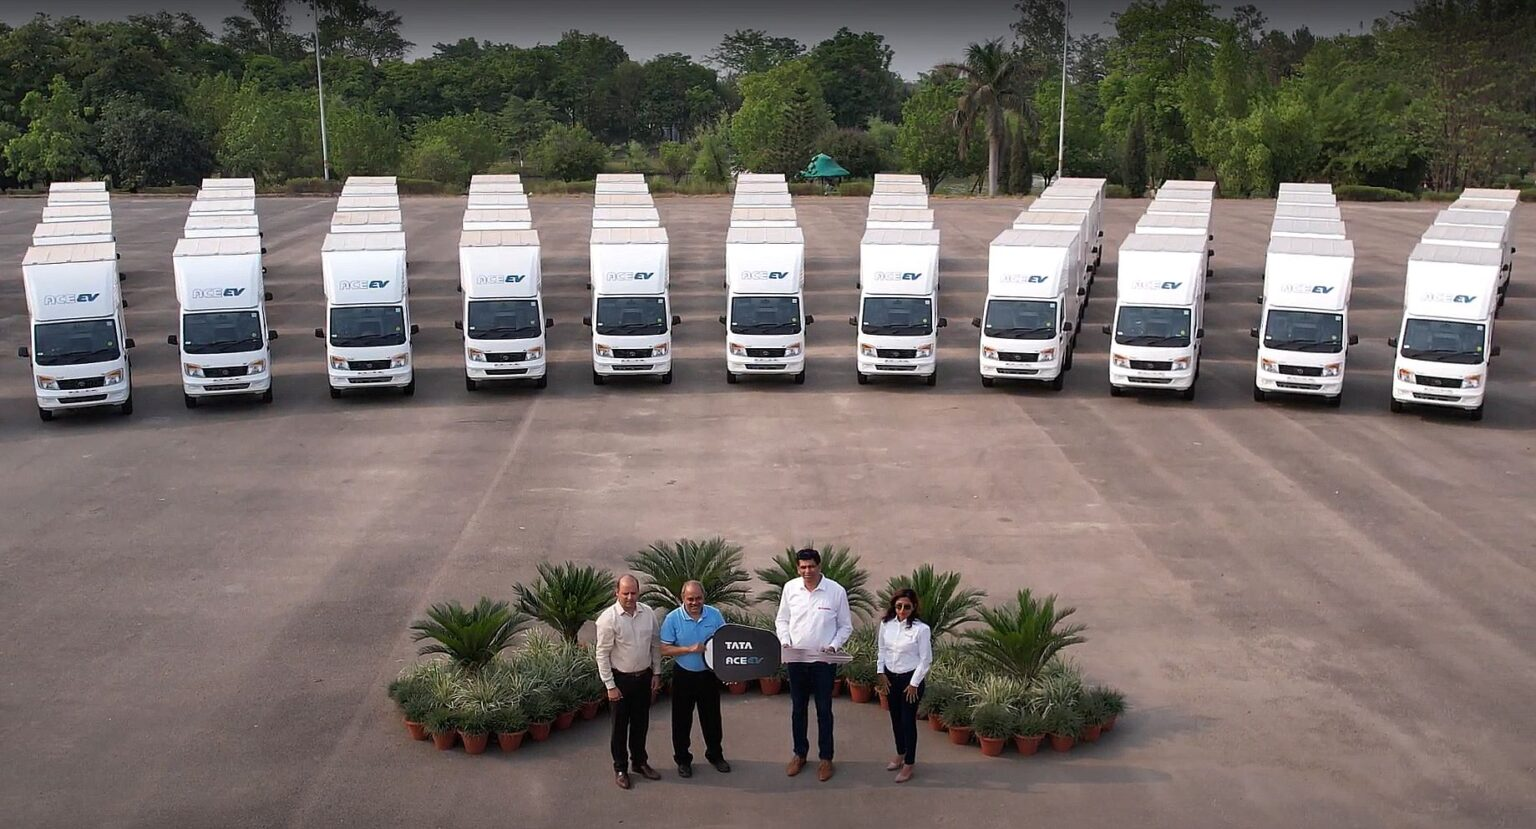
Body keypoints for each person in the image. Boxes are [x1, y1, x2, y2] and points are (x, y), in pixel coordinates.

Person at [775, 547, 853, 782]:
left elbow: (845, 626)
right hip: (796, 659)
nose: (807, 571)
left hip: (823, 662)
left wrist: (833, 646)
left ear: (820, 566)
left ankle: (826, 758)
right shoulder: (790, 588)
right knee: (798, 709)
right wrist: (785, 643)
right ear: (798, 568)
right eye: (803, 567)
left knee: (823, 710)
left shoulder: (835, 591)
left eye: (811, 566)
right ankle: (800, 754)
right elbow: (782, 619)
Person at [594, 574, 662, 790]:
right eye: (625, 593)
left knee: (641, 725)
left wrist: (657, 673)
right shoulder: (608, 619)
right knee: (619, 728)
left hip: (643, 678)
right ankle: (620, 768)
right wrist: (610, 686)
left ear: (638, 592)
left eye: (633, 593)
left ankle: (640, 763)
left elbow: (655, 645)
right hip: (620, 682)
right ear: (617, 593)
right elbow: (602, 654)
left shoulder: (648, 613)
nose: (630, 597)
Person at [659, 580, 731, 778]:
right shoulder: (673, 619)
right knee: (681, 721)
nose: (694, 602)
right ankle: (683, 760)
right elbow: (664, 648)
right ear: (683, 598)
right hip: (684, 675)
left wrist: (728, 672)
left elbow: (725, 642)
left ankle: (715, 755)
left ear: (703, 598)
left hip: (708, 675)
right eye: (690, 599)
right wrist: (688, 649)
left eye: (698, 598)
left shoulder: (714, 615)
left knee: (712, 719)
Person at [876, 588, 932, 783]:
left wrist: (914, 684)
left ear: (914, 607)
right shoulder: (886, 624)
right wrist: (881, 672)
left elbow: (926, 660)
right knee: (895, 719)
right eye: (898, 606)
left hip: (910, 680)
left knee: (908, 722)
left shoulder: (921, 629)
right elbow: (881, 649)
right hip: (891, 678)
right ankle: (900, 752)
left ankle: (909, 763)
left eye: (907, 607)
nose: (902, 610)